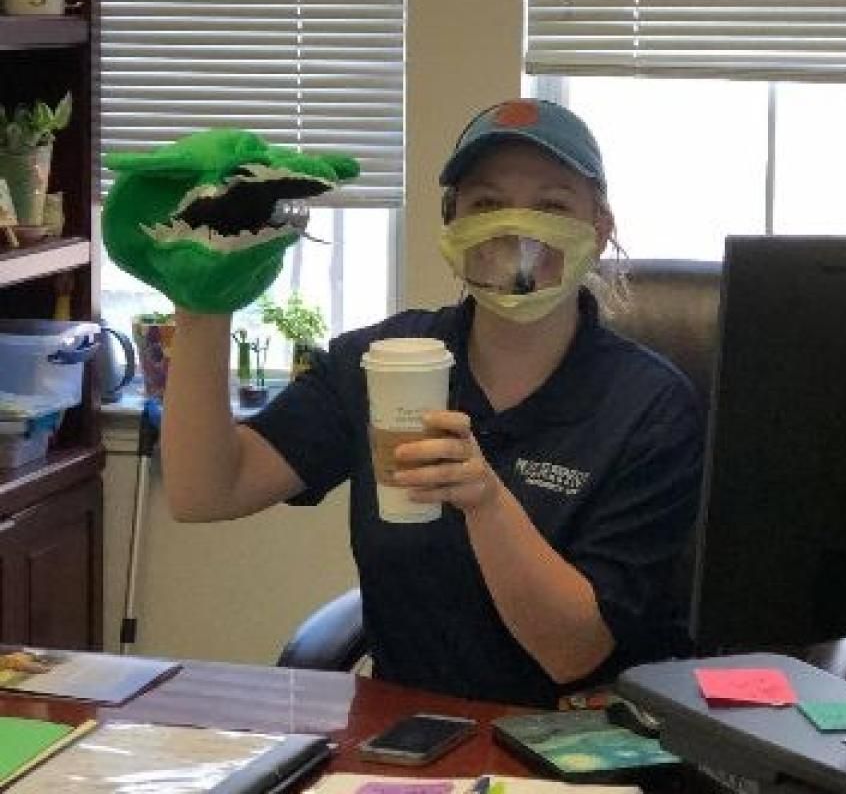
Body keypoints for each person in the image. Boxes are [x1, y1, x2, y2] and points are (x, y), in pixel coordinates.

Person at [161, 98, 704, 708]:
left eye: (552, 205)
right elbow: (206, 490)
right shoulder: (383, 362)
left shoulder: (649, 406)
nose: (517, 229)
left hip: (578, 740)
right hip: (408, 734)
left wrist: (485, 501)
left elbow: (572, 653)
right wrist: (201, 306)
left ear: (599, 229)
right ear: (452, 225)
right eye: (486, 204)